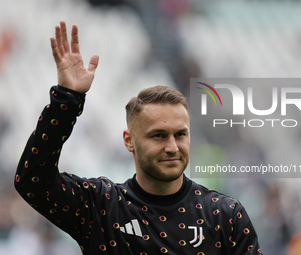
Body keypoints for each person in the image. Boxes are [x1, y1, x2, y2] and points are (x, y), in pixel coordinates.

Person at [15, 21, 261, 254]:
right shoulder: (102, 206)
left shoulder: (225, 215)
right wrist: (66, 100)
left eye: (181, 134)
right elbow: (32, 181)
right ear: (128, 140)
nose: (172, 147)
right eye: (158, 136)